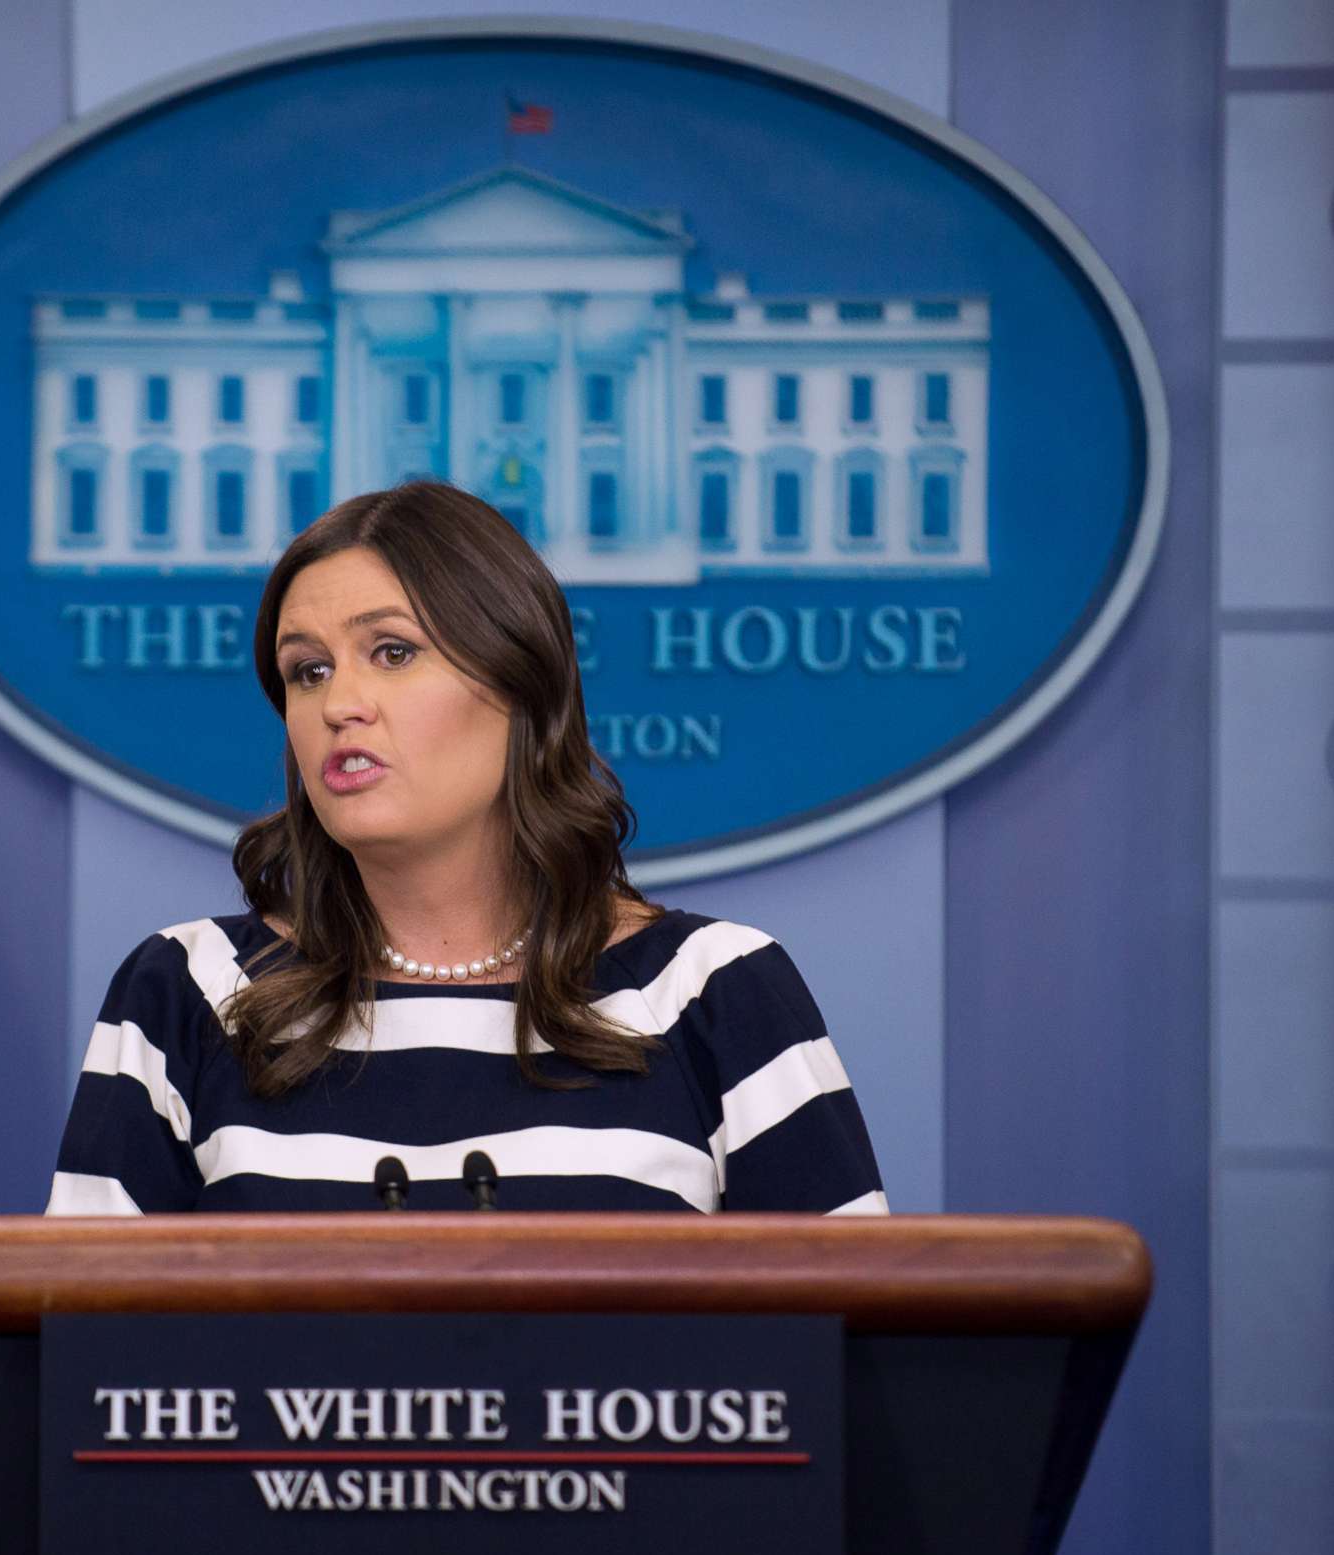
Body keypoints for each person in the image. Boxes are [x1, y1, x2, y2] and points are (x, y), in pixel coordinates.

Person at [45, 479, 887, 1218]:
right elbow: (90, 1368)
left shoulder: (713, 989)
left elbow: (845, 1364)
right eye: (308, 671)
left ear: (522, 688)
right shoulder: (189, 992)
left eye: (393, 652)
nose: (342, 702)